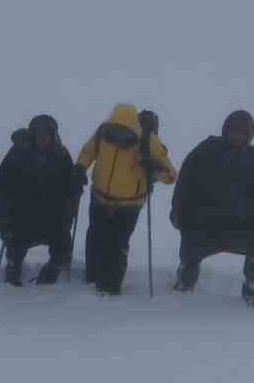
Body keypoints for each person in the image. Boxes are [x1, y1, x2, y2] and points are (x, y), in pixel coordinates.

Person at [170, 110, 254, 306]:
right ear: (225, 130)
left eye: (242, 133)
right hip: (204, 226)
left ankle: (252, 289)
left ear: (249, 135)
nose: (236, 136)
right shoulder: (204, 152)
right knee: (191, 244)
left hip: (243, 229)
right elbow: (184, 186)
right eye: (233, 131)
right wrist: (178, 214)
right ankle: (186, 278)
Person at [74, 104, 178, 296]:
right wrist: (80, 167)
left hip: (129, 205)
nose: (118, 135)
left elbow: (171, 176)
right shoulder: (103, 133)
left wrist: (154, 167)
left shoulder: (148, 141)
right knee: (96, 237)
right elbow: (88, 152)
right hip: (99, 198)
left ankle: (111, 287)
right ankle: (92, 276)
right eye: (115, 129)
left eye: (123, 130)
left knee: (118, 243)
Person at [0, 115, 79, 286]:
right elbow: (3, 188)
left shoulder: (61, 155)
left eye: (46, 134)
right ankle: (13, 264)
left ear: (53, 135)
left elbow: (70, 190)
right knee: (14, 241)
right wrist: (3, 221)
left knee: (62, 246)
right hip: (23, 215)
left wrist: (77, 184)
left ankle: (54, 266)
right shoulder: (17, 153)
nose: (42, 138)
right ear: (32, 134)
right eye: (38, 134)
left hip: (52, 216)